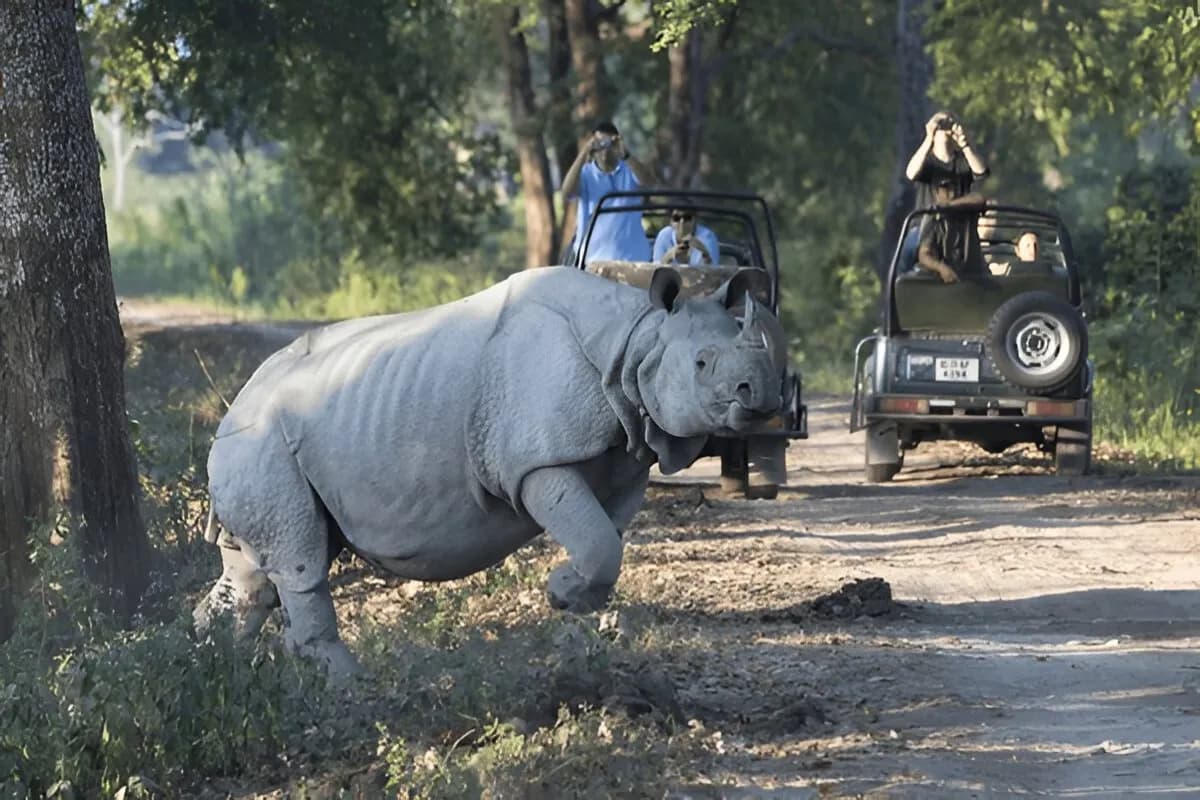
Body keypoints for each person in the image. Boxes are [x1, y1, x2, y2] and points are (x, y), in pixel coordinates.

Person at [561, 121, 656, 263]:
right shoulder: (586, 173)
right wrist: (584, 152)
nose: (605, 150)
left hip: (633, 259)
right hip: (592, 259)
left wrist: (626, 155)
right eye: (599, 143)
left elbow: (649, 182)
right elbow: (567, 192)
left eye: (609, 144)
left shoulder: (630, 169)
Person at [906, 112, 990, 210]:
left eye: (950, 123)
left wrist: (965, 146)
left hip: (958, 221)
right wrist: (929, 139)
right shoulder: (925, 161)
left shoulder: (963, 161)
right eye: (941, 123)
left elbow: (981, 172)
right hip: (927, 222)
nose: (945, 127)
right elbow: (910, 174)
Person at [916, 181, 988, 284]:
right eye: (946, 189)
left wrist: (949, 205)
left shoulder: (968, 211)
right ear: (936, 193)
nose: (953, 193)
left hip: (974, 278)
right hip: (945, 281)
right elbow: (924, 254)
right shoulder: (933, 217)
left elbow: (979, 200)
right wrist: (941, 268)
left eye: (955, 189)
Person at [652, 204, 720, 266]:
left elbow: (713, 272)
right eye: (676, 218)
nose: (682, 222)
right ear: (671, 222)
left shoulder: (707, 237)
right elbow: (654, 270)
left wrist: (704, 253)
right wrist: (669, 255)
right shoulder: (664, 235)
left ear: (695, 220)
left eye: (687, 217)